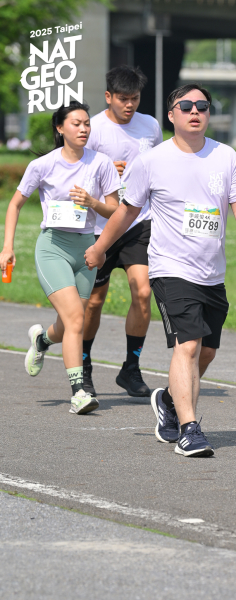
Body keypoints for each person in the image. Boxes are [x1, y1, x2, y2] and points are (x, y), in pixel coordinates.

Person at [84, 83, 236, 457]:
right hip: (170, 268)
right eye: (186, 106)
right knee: (189, 345)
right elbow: (127, 212)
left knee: (206, 352)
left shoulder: (225, 156)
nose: (195, 111)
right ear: (171, 115)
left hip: (212, 272)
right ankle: (189, 430)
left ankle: (168, 400)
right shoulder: (152, 161)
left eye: (202, 105)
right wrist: (100, 249)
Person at [0, 102, 120, 414]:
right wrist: (7, 247)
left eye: (87, 123)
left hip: (87, 249)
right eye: (76, 123)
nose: (83, 129)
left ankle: (41, 341)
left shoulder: (101, 163)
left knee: (70, 323)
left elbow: (115, 210)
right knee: (76, 318)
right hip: (53, 247)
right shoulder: (43, 165)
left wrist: (92, 202)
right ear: (60, 128)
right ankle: (79, 392)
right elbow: (14, 205)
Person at [83, 65, 163, 398]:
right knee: (94, 302)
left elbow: (159, 166)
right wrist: (103, 171)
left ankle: (131, 369)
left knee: (143, 294)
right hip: (99, 227)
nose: (129, 105)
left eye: (135, 98)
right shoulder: (93, 129)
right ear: (108, 97)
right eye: (122, 99)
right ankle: (84, 367)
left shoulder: (151, 126)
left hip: (138, 223)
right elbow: (73, 170)